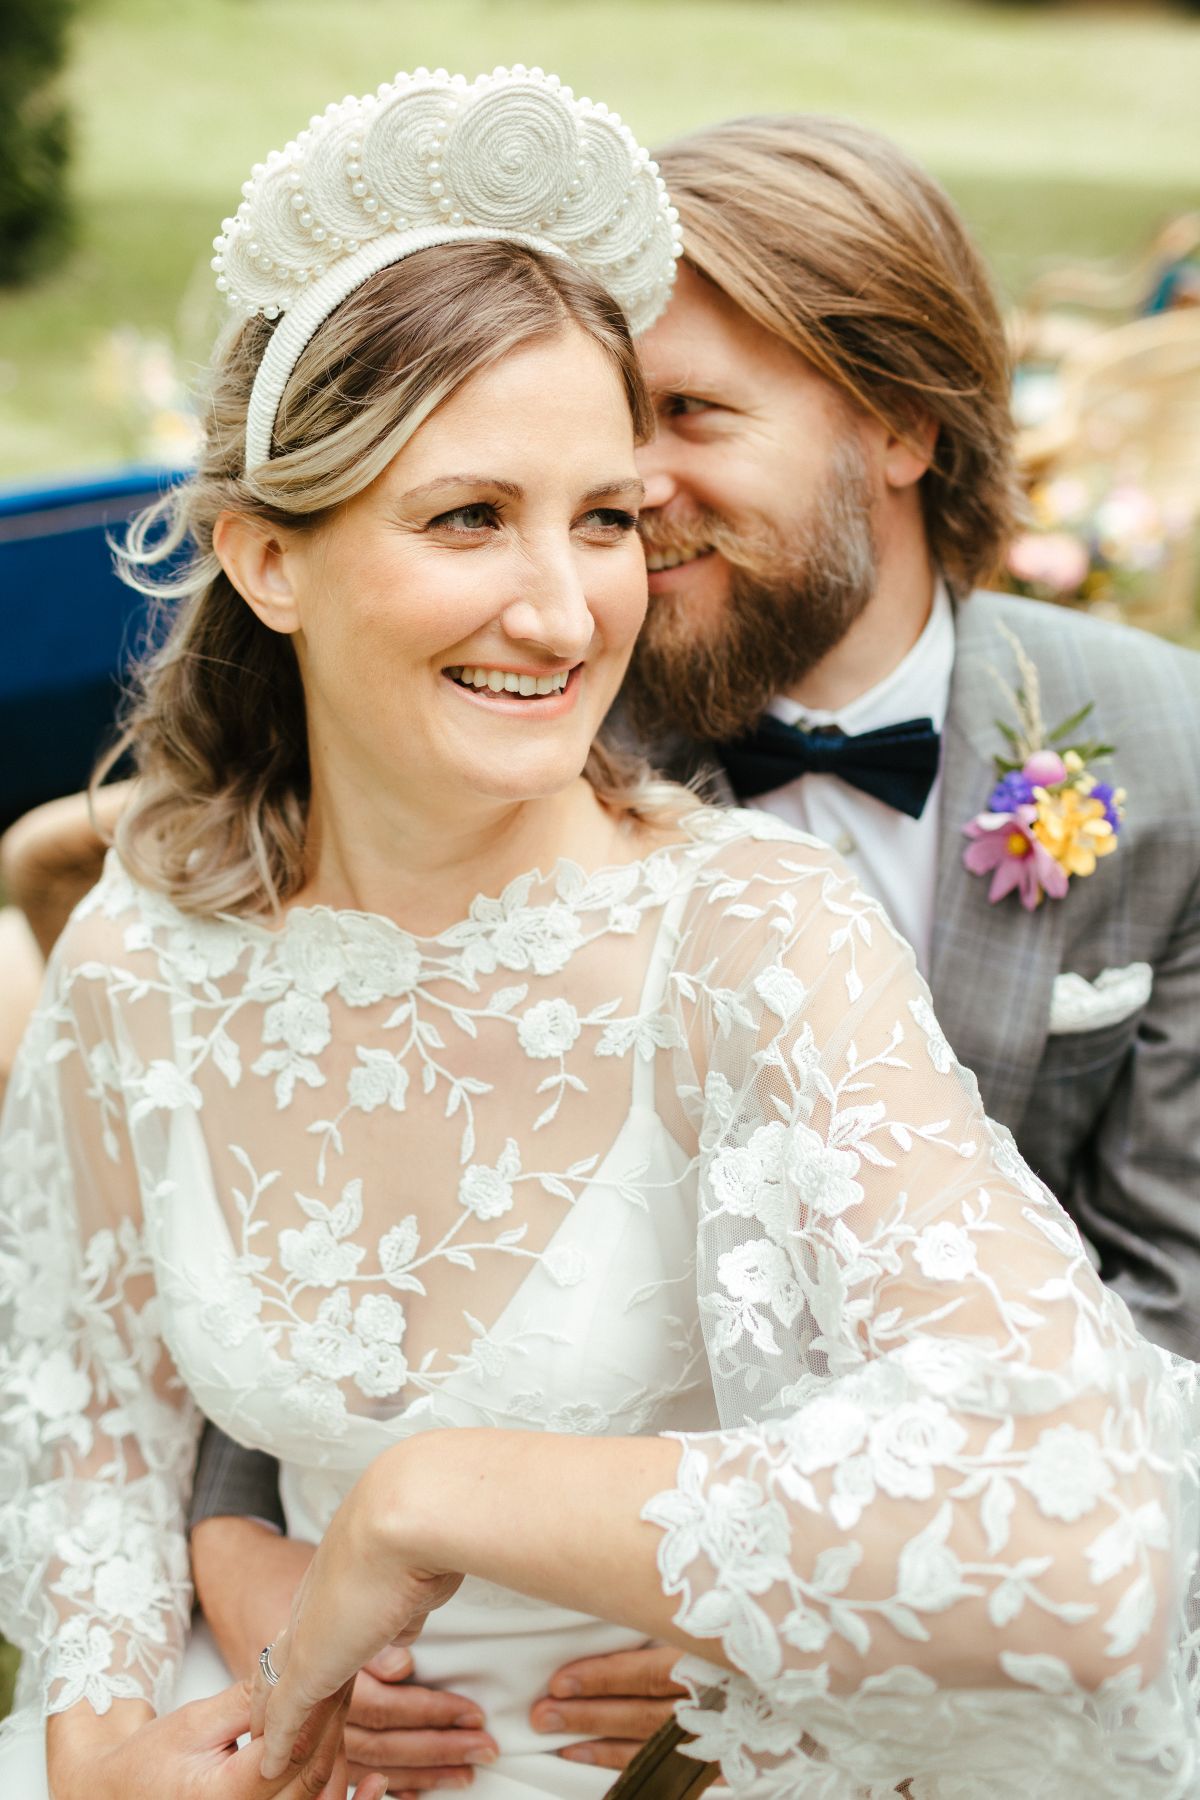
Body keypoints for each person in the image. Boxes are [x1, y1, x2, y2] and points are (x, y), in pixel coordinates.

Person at [1, 63, 1196, 1800]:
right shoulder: (140, 958)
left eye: (609, 520)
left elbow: (1089, 1535)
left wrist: (431, 1503)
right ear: (269, 561)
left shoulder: (753, 932)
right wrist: (108, 1755)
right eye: (468, 516)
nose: (566, 616)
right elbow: (91, 1429)